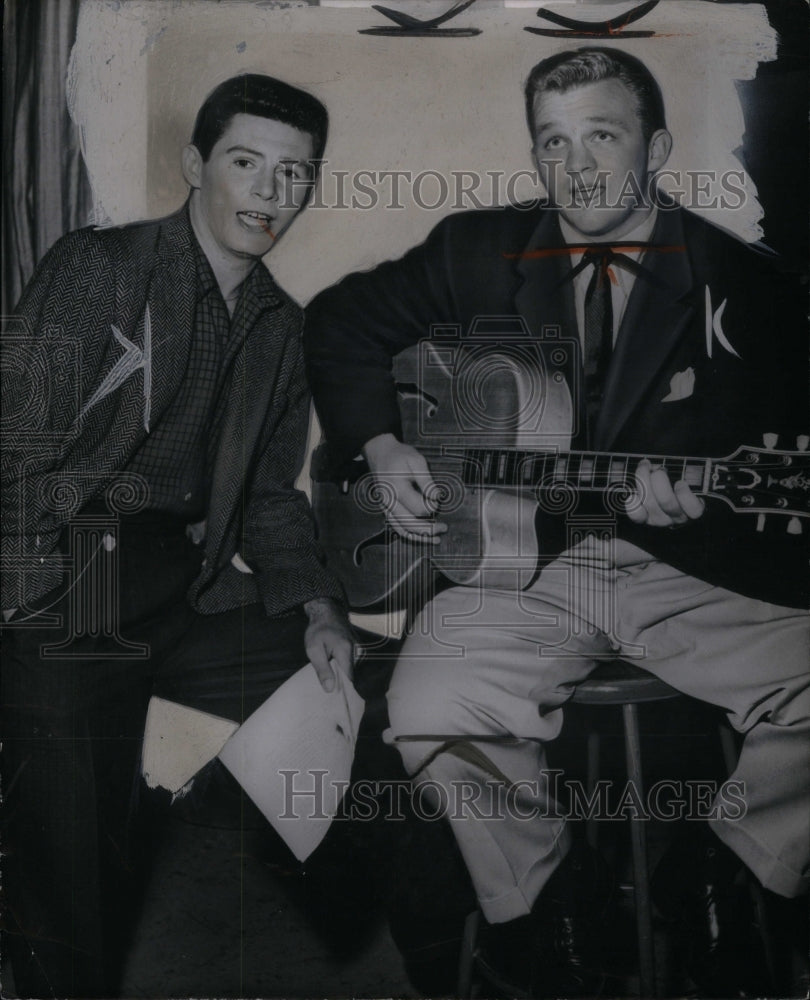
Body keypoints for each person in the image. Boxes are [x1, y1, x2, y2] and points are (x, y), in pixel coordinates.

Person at [304, 48, 809, 997]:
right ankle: (550, 898)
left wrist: (703, 504)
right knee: (426, 707)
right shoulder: (479, 249)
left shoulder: (752, 288)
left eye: (603, 136)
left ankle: (729, 871)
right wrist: (380, 445)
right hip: (521, 568)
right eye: (553, 142)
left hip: (694, 570)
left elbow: (782, 484)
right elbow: (338, 323)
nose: (576, 168)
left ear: (655, 145)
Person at [1, 74, 353, 998]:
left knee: (358, 692)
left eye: (294, 174)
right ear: (199, 165)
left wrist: (319, 607)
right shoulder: (103, 267)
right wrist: (20, 600)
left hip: (182, 579)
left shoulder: (283, 327)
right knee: (73, 861)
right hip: (67, 567)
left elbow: (272, 497)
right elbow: (12, 445)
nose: (271, 194)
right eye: (248, 163)